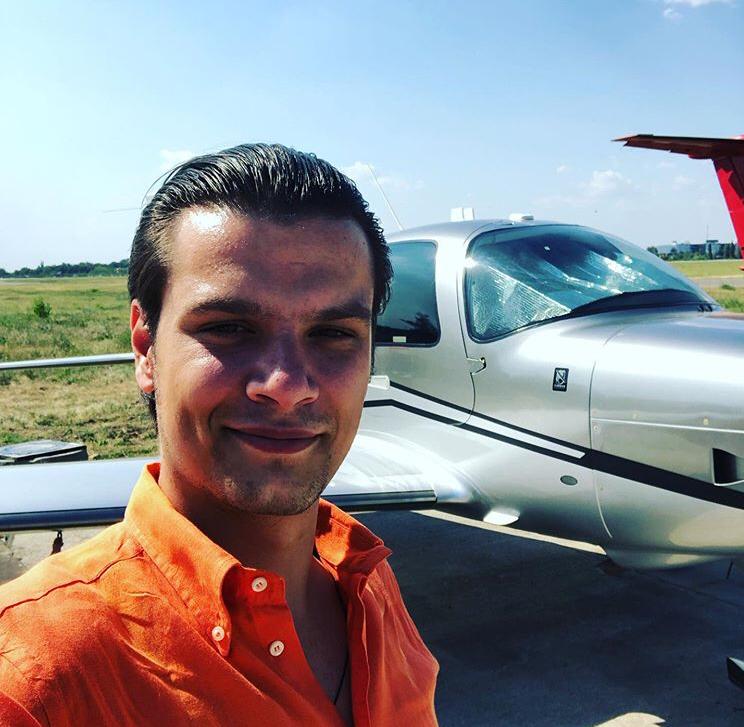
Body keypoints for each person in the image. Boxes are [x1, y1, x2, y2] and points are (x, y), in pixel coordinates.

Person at [0, 144, 439, 726]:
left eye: (333, 333)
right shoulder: (34, 679)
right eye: (229, 327)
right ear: (145, 347)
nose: (287, 385)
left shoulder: (368, 583)